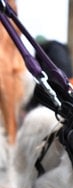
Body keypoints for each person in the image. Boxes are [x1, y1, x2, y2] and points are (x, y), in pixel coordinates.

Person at [0, 0, 26, 145]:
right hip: (7, 63)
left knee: (10, 120)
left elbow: (15, 26)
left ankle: (11, 147)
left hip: (7, 65)